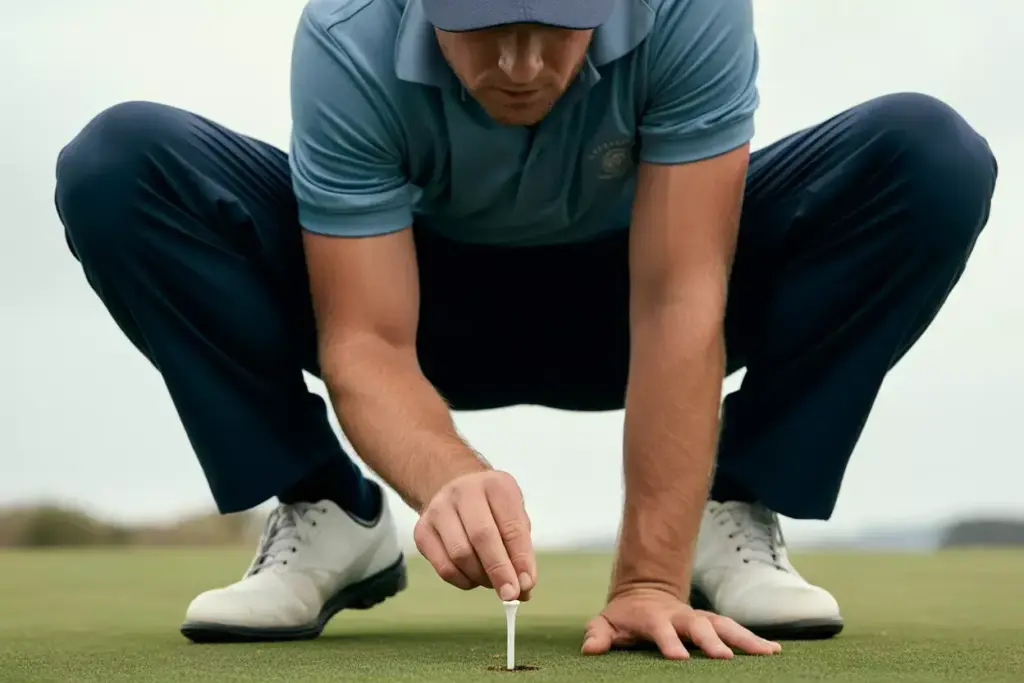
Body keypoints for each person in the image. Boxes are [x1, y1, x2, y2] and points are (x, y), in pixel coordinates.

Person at [53, 0, 996, 661]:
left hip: (641, 294)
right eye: (482, 26)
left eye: (551, 23)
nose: (519, 64)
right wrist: (446, 475)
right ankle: (327, 509)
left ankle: (726, 506)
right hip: (420, 308)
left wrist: (648, 581)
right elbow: (369, 341)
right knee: (119, 165)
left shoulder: (689, 7)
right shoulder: (348, 31)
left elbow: (678, 292)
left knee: (928, 157)